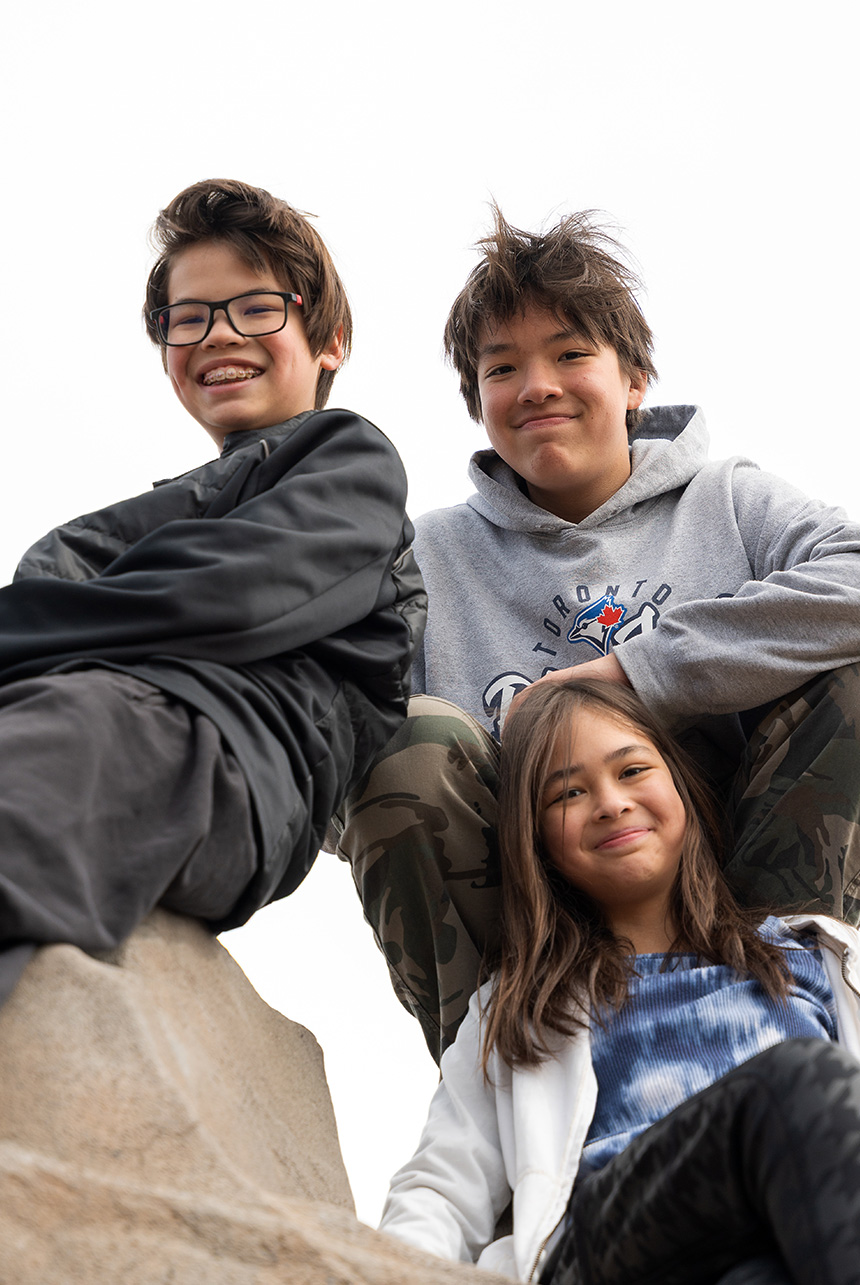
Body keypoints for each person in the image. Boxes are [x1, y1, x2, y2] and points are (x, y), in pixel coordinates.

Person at [334, 208, 860, 1061]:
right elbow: (338, 750)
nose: (537, 384)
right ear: (479, 402)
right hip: (537, 922)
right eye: (502, 367)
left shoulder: (729, 500)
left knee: (848, 672)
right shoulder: (425, 558)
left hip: (733, 879)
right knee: (404, 748)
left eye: (571, 354)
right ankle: (501, 1075)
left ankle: (780, 1015)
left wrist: (639, 671)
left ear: (634, 377)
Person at [0, 178, 425, 1009]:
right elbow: (51, 569)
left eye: (256, 307)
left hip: (224, 748)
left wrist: (82, 610)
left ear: (328, 339)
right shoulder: (165, 504)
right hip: (101, 707)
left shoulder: (349, 462)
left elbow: (228, 598)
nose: (218, 334)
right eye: (188, 317)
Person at [380, 679, 860, 1284]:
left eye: (632, 770)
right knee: (799, 1081)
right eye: (569, 793)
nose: (610, 802)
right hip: (612, 1249)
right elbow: (439, 1192)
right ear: (538, 845)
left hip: (787, 1239)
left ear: (681, 786)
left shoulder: (819, 957)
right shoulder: (524, 1004)